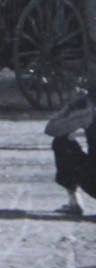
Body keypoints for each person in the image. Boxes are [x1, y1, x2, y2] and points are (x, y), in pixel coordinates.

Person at [47, 85, 96, 216]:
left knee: (61, 142)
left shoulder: (88, 111)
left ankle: (74, 202)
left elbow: (51, 129)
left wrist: (69, 106)